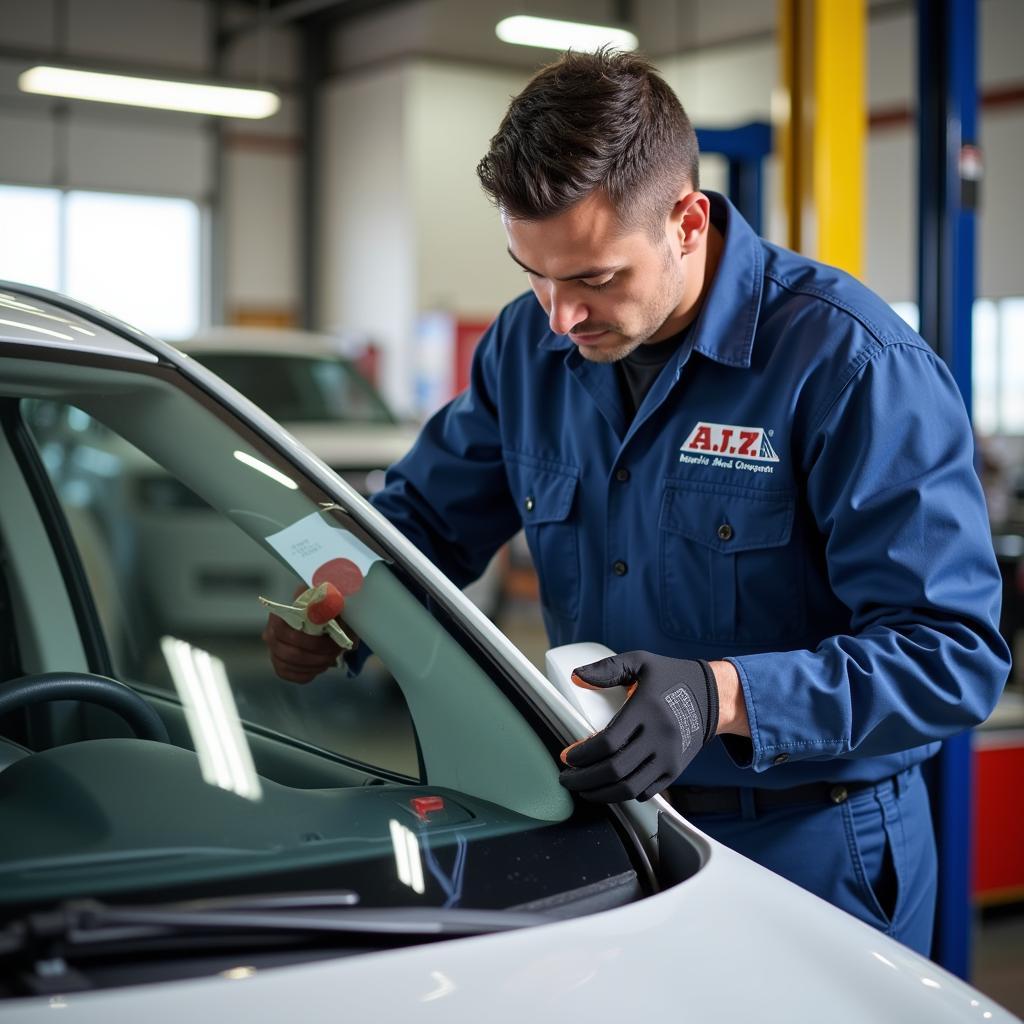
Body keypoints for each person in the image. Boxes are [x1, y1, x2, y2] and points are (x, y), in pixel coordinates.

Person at [263, 49, 1009, 955]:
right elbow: (418, 525)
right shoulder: (525, 351)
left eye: (595, 278)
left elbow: (951, 655)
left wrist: (720, 697)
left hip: (814, 845)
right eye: (532, 273)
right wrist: (335, 599)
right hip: (607, 828)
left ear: (687, 221)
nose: (558, 318)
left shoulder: (852, 367)